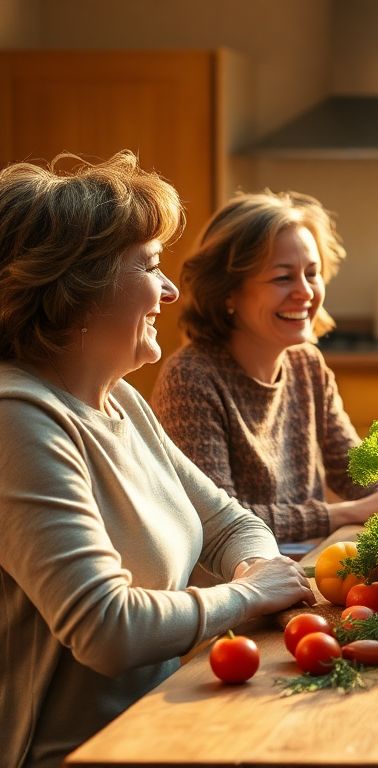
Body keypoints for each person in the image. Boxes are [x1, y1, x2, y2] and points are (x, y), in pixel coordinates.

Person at [0, 152, 314, 768]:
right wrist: (248, 596)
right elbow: (106, 628)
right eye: (149, 266)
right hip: (80, 753)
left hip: (166, 723)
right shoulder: (19, 420)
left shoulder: (118, 399)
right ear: (77, 289)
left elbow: (232, 522)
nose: (170, 290)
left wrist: (255, 565)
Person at [152, 191, 378, 544]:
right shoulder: (190, 378)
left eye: (313, 273)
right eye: (283, 278)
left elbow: (357, 470)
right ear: (228, 292)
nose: (305, 292)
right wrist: (346, 513)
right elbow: (219, 521)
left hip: (301, 564)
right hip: (232, 582)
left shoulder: (307, 363)